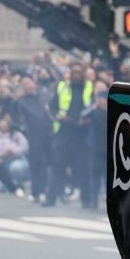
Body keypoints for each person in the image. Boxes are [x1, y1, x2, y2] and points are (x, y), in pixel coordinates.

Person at [49, 62, 94, 206]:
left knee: (83, 167)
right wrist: (57, 116)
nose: (76, 75)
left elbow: (94, 108)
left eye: (79, 73)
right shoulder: (62, 86)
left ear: (83, 74)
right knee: (57, 165)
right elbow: (52, 107)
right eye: (73, 73)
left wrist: (88, 120)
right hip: (64, 131)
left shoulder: (90, 88)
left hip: (82, 133)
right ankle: (51, 199)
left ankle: (86, 200)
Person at [15, 75, 52, 203]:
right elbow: (16, 117)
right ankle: (37, 191)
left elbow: (49, 111)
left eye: (29, 83)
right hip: (33, 135)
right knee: (36, 163)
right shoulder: (22, 101)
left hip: (48, 133)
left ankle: (49, 190)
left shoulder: (44, 96)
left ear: (35, 84)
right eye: (25, 85)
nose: (28, 86)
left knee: (49, 163)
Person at [0, 115, 29, 196]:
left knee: (17, 167)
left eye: (6, 123)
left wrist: (13, 150)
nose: (3, 125)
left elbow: (25, 147)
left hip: (15, 159)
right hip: (0, 161)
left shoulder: (16, 135)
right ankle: (9, 184)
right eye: (1, 122)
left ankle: (18, 184)